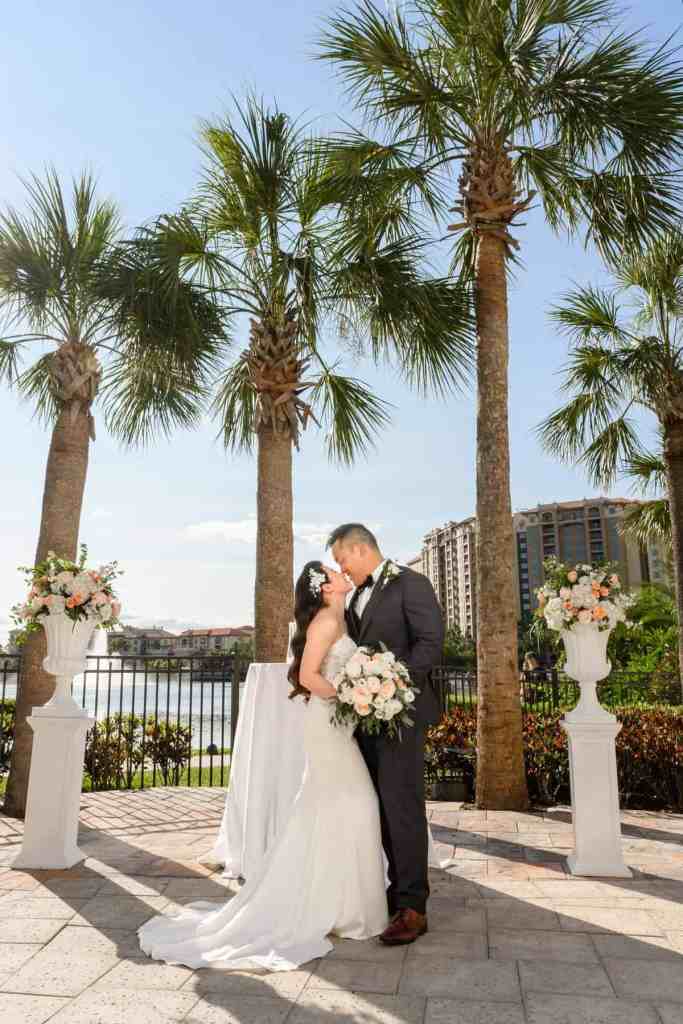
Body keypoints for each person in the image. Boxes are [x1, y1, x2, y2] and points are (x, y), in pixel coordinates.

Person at [137, 562, 388, 971]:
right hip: (327, 723)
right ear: (324, 587)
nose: (342, 571)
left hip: (336, 724)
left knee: (339, 806)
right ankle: (334, 905)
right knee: (353, 802)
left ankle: (339, 903)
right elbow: (307, 676)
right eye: (332, 570)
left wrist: (362, 694)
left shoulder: (341, 618)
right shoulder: (326, 621)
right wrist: (353, 695)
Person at [328, 523, 444, 945]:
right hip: (365, 717)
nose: (342, 569)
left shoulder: (411, 583)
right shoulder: (354, 595)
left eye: (343, 560)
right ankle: (396, 893)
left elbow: (430, 643)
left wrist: (390, 684)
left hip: (403, 714)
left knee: (403, 808)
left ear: (360, 550)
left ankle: (414, 907)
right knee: (379, 810)